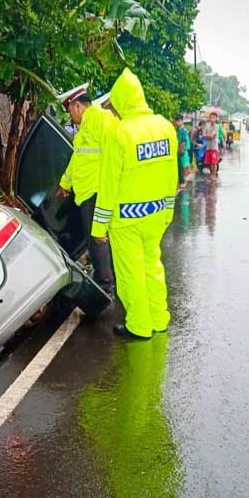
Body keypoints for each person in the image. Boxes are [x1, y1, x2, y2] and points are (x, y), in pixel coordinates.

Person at [92, 68, 178, 339]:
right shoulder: (165, 127)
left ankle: (139, 325)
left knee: (131, 273)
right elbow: (171, 175)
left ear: (121, 100)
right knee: (153, 266)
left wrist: (98, 228)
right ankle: (159, 318)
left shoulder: (119, 133)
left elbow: (108, 186)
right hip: (156, 215)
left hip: (126, 219)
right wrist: (168, 211)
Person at [57, 83, 116, 296]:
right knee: (96, 239)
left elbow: (112, 154)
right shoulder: (86, 125)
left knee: (97, 239)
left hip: (97, 191)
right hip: (86, 192)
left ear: (77, 106)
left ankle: (105, 285)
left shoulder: (100, 119)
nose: (69, 114)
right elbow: (78, 158)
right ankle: (106, 278)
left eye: (69, 109)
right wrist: (65, 183)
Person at [202, 112, 220, 181]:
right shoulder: (207, 125)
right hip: (208, 147)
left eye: (213, 117)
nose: (212, 119)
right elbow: (203, 135)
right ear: (209, 118)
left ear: (216, 118)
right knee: (209, 162)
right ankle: (211, 175)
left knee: (214, 162)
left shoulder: (217, 126)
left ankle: (214, 175)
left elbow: (212, 136)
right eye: (211, 117)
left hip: (214, 147)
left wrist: (207, 135)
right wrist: (208, 136)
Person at [174, 114, 190, 188]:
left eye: (178, 121)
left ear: (181, 121)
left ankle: (182, 181)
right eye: (176, 121)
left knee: (182, 166)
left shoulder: (184, 130)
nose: (176, 122)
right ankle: (182, 181)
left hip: (181, 150)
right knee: (180, 166)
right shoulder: (176, 130)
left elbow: (183, 142)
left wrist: (180, 150)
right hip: (177, 149)